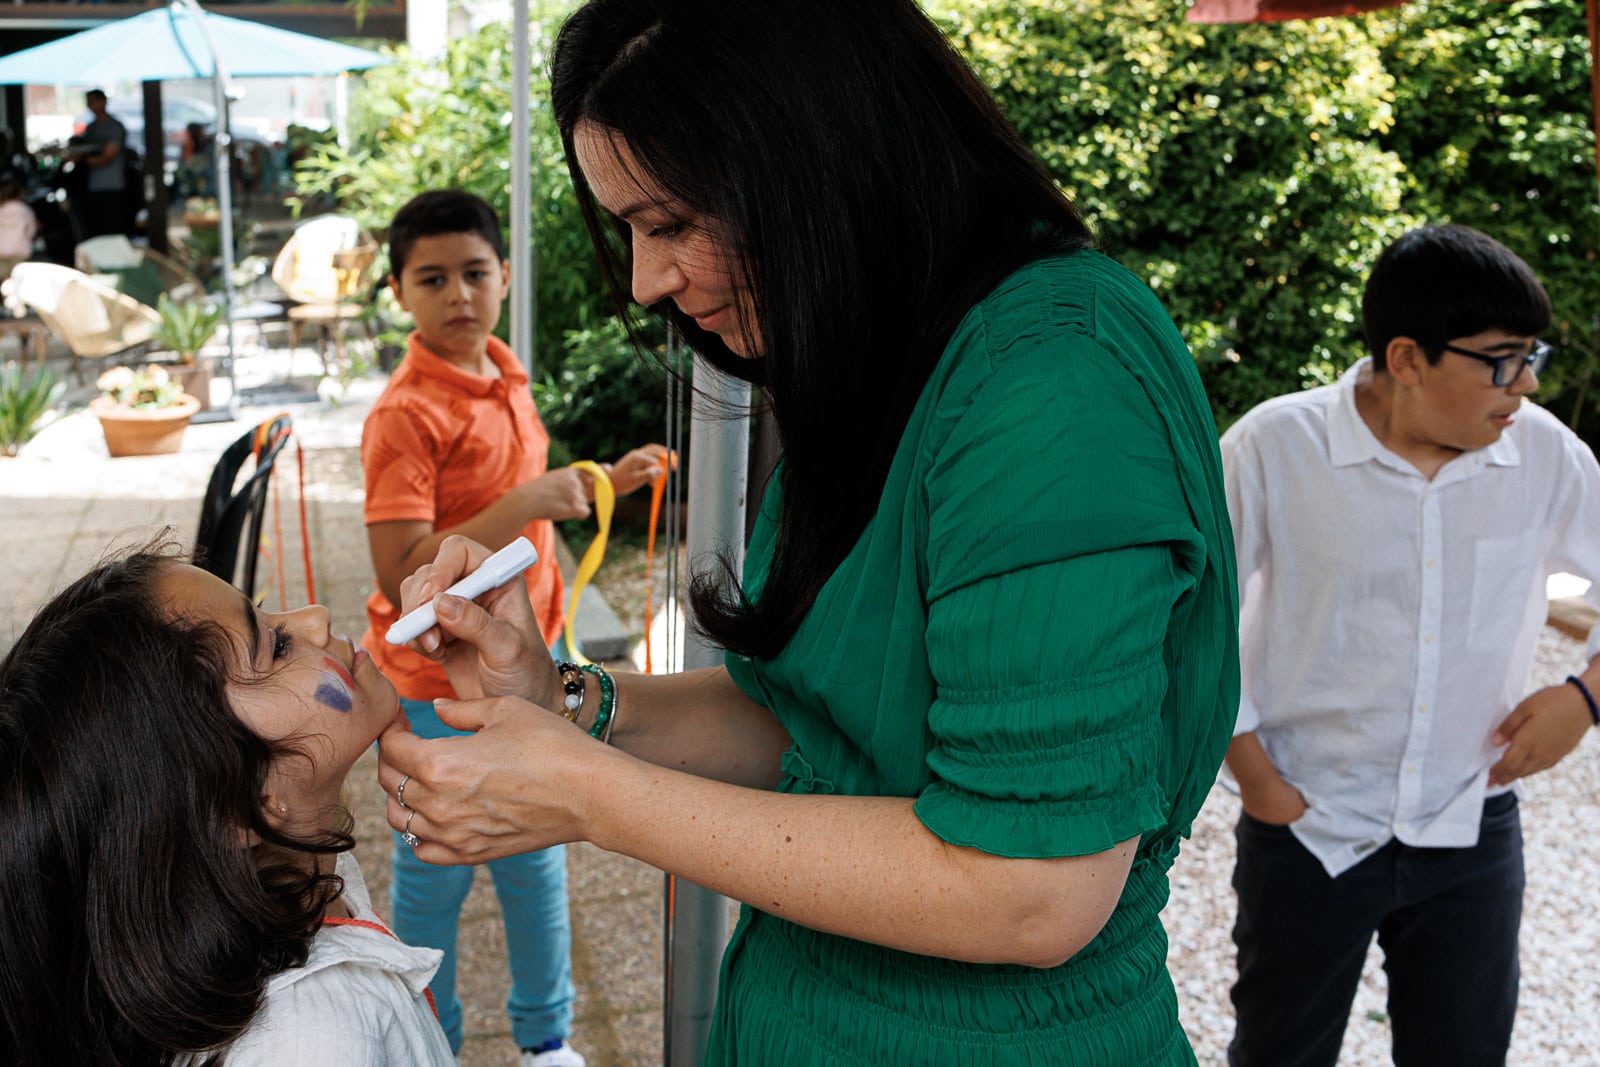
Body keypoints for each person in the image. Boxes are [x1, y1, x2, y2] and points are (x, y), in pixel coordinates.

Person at [374, 2, 1240, 1063]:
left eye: (670, 223)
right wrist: (560, 696)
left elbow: (1032, 887)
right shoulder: (887, 355)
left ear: (816, 156)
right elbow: (818, 722)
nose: (646, 280)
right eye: (631, 231)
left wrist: (587, 793)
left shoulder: (1054, 386)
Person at [1219, 224, 1600, 1067]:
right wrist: (1257, 779)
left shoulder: (1546, 454)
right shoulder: (1273, 447)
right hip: (1307, 826)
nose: (1527, 383)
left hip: (1472, 823)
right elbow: (1191, 619)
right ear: (1406, 358)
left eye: (1531, 355)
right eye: (1502, 360)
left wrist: (1584, 699)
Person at [361, 188, 668, 1067]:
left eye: (474, 272)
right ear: (398, 291)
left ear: (503, 275)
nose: (458, 294)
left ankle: (547, 1038)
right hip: (433, 690)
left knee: (539, 857)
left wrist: (607, 479)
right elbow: (396, 569)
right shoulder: (403, 414)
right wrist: (526, 501)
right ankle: (430, 1042)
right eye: (432, 279)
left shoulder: (505, 369)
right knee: (435, 870)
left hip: (530, 661)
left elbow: (508, 498)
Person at [0, 544, 455, 1066]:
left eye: (265, 612)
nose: (316, 617)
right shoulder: (313, 1042)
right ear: (237, 803)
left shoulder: (293, 877)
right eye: (276, 646)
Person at [67, 89, 128, 239]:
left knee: (112, 230)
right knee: (95, 230)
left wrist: (82, 159)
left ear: (103, 101)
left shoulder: (115, 127)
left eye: (93, 101)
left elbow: (107, 158)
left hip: (112, 185)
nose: (90, 105)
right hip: (92, 186)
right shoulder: (91, 128)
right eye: (88, 102)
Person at [0, 171, 38, 282]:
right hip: (20, 253)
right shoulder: (25, 210)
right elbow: (31, 230)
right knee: (20, 282)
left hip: (2, 254)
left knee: (5, 282)